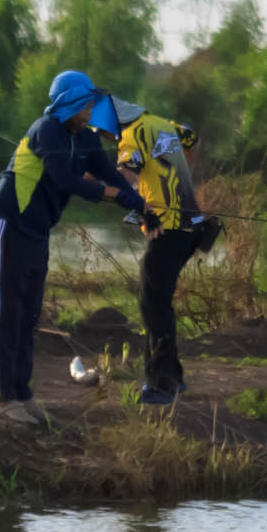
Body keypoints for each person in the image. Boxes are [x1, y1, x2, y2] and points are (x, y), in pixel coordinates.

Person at [0, 71, 150, 425]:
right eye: (84, 102)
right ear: (68, 102)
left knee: (28, 314)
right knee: (3, 312)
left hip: (37, 231)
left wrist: (135, 199)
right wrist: (113, 196)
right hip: (7, 223)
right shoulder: (45, 130)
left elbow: (108, 172)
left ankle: (21, 394)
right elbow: (65, 180)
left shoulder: (84, 138)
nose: (90, 109)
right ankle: (0, 397)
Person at [109, 97, 220, 405]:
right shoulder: (164, 125)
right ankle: (174, 376)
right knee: (159, 303)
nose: (106, 137)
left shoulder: (132, 135)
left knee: (153, 306)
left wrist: (92, 181)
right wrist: (180, 172)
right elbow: (192, 139)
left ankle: (161, 385)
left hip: (168, 228)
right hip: (191, 227)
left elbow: (125, 178)